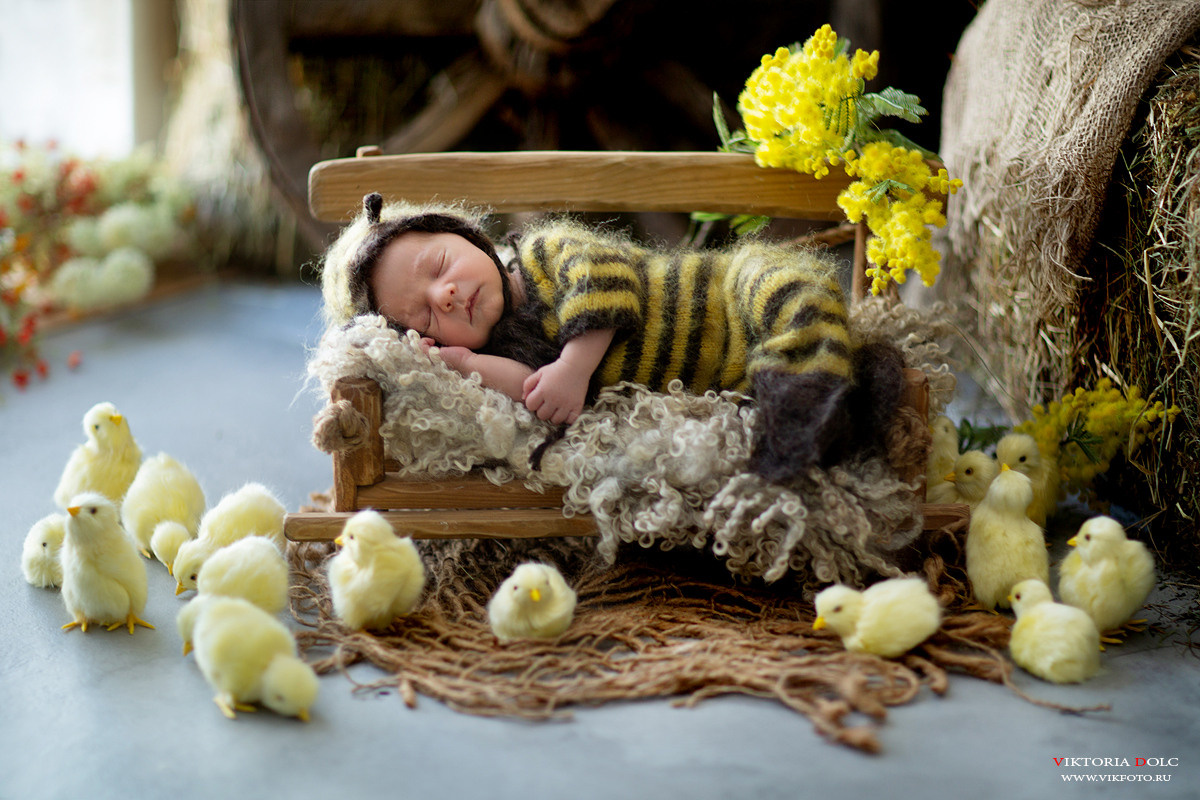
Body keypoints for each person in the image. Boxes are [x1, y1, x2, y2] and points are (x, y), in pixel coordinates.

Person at [321, 193, 903, 482]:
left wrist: (575, 366)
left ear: (467, 235)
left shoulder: (547, 253)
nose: (444, 295)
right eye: (424, 317)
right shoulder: (506, 347)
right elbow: (534, 391)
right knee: (775, 370)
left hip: (727, 295)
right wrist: (461, 363)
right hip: (729, 374)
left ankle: (811, 388)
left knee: (789, 289)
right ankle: (819, 402)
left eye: (440, 264)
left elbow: (608, 284)